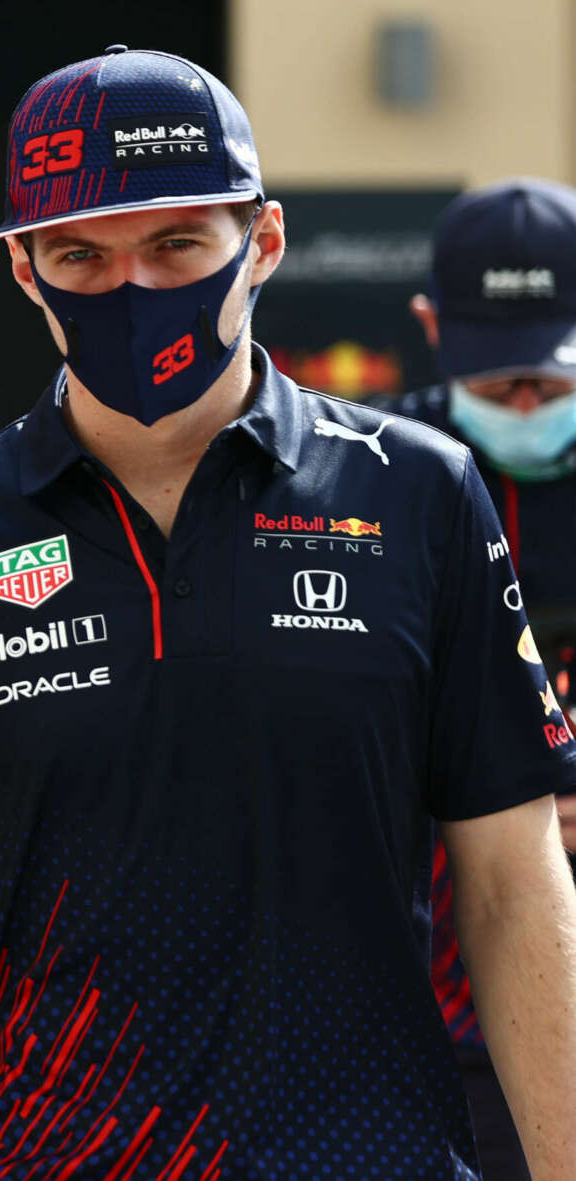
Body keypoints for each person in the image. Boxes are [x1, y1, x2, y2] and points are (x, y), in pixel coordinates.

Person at [0, 46, 576, 1181]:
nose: (129, 289)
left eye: (173, 244)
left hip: (362, 1156)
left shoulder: (414, 494)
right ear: (23, 268)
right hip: (34, 1158)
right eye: (80, 253)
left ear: (260, 243)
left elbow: (514, 893)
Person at [371, 177, 576, 1181]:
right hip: (416, 1014)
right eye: (497, 384)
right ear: (429, 328)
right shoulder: (363, 482)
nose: (527, 405)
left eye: (548, 377)